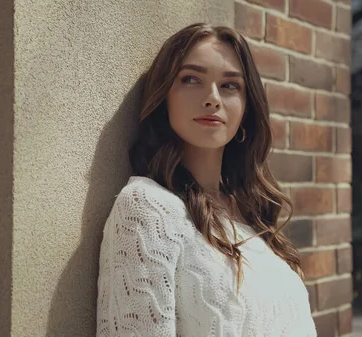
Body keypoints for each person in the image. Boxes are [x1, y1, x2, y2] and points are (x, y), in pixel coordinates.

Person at [96, 23, 317, 337]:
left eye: (229, 86)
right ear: (164, 98)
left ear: (245, 108)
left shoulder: (251, 213)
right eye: (190, 79)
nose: (212, 98)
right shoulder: (148, 207)